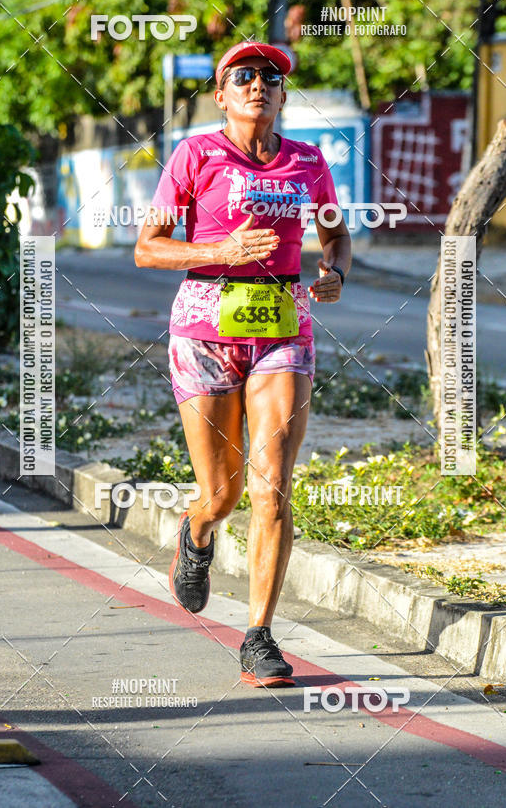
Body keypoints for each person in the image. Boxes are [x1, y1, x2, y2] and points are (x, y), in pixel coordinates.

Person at [134, 41, 351, 687]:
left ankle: (258, 636)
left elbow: (334, 232)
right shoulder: (195, 155)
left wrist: (334, 270)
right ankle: (197, 531)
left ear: (284, 96)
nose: (259, 84)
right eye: (244, 76)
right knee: (223, 492)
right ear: (223, 95)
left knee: (271, 484)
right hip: (203, 329)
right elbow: (148, 247)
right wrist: (222, 247)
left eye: (272, 77)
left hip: (284, 328)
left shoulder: (308, 163)